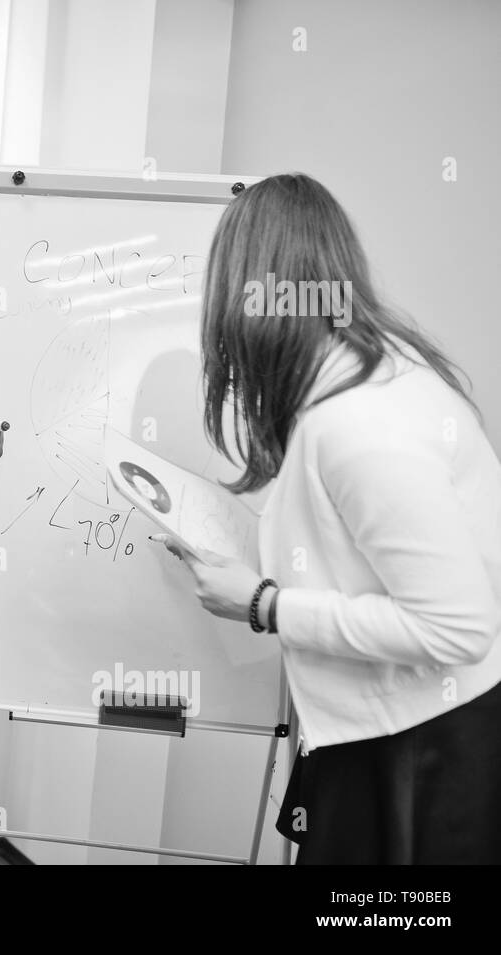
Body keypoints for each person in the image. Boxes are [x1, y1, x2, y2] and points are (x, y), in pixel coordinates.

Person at [154, 173, 501, 864]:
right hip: (398, 735)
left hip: (425, 752)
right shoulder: (362, 381)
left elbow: (459, 626)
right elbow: (358, 549)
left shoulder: (361, 422)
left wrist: (265, 604)